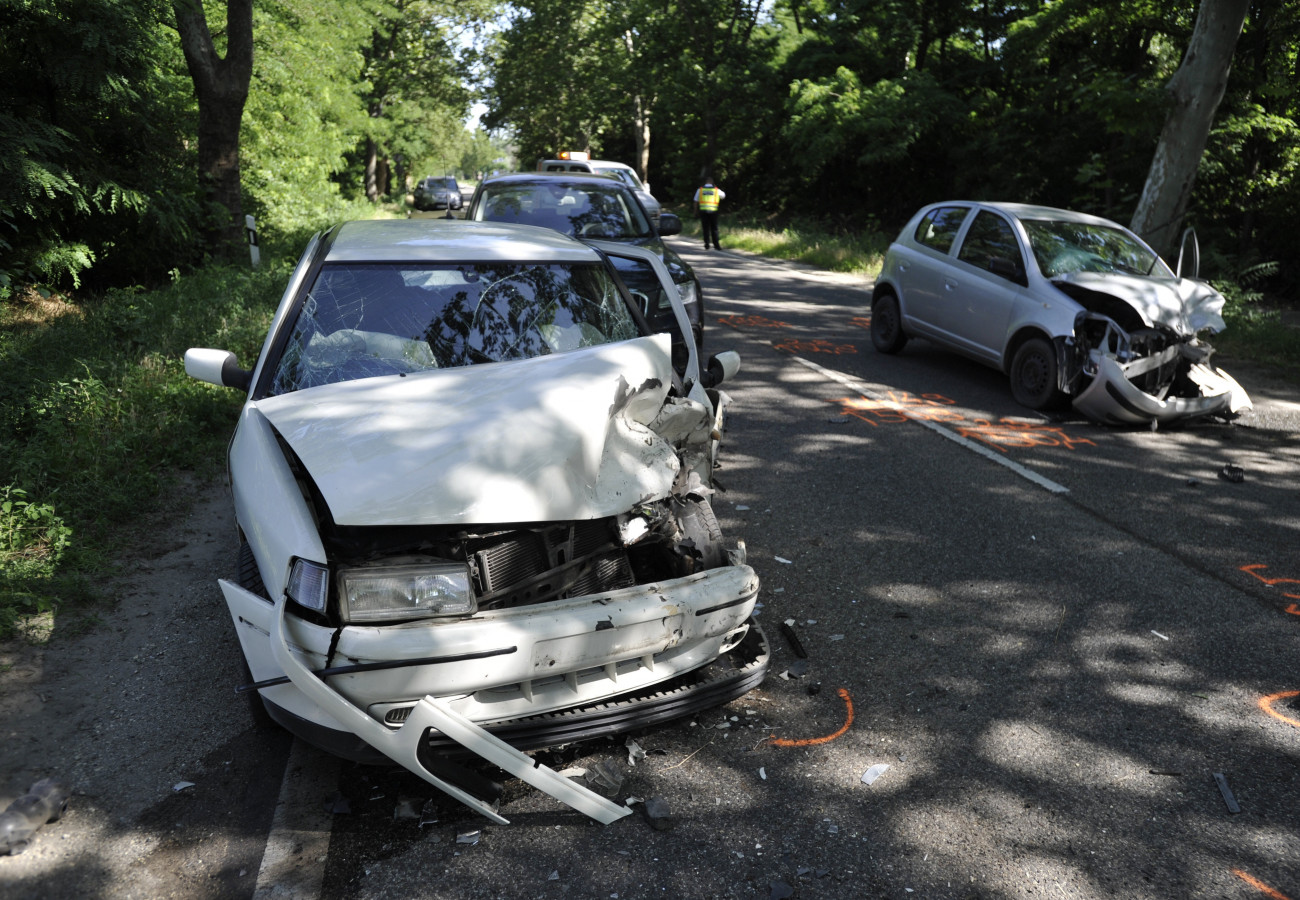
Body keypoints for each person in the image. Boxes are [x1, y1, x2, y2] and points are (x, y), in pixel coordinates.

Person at [693, 180, 725, 250]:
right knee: (714, 229)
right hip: (713, 212)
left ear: (705, 182)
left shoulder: (700, 190)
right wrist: (716, 187)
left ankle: (707, 244)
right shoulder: (716, 190)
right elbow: (723, 196)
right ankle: (716, 245)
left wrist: (695, 212)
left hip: (703, 211)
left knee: (705, 228)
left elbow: (695, 201)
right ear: (712, 183)